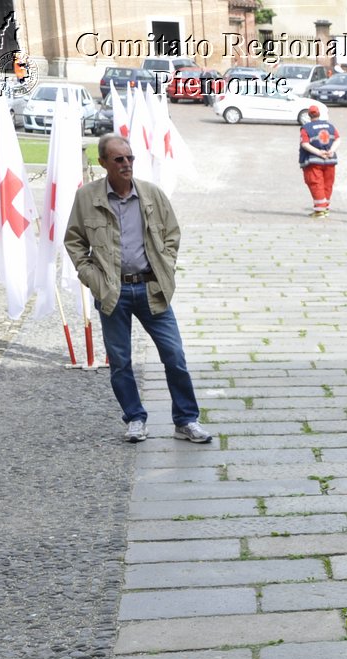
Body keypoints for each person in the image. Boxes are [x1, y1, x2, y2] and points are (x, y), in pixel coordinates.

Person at [63, 133, 211, 445]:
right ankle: (135, 418)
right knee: (120, 361)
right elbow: (74, 240)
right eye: (119, 159)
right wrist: (91, 275)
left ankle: (186, 420)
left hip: (151, 289)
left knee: (174, 356)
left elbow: (172, 233)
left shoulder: (152, 195)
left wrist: (165, 265)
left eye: (130, 158)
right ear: (103, 163)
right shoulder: (87, 198)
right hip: (112, 292)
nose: (127, 164)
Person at [299, 104, 339, 217]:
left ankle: (320, 210)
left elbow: (305, 144)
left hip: (314, 161)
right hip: (330, 160)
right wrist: (331, 150)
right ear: (319, 114)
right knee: (328, 184)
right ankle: (325, 207)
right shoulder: (330, 126)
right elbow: (338, 139)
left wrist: (318, 152)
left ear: (309, 115)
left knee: (316, 183)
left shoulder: (306, 128)